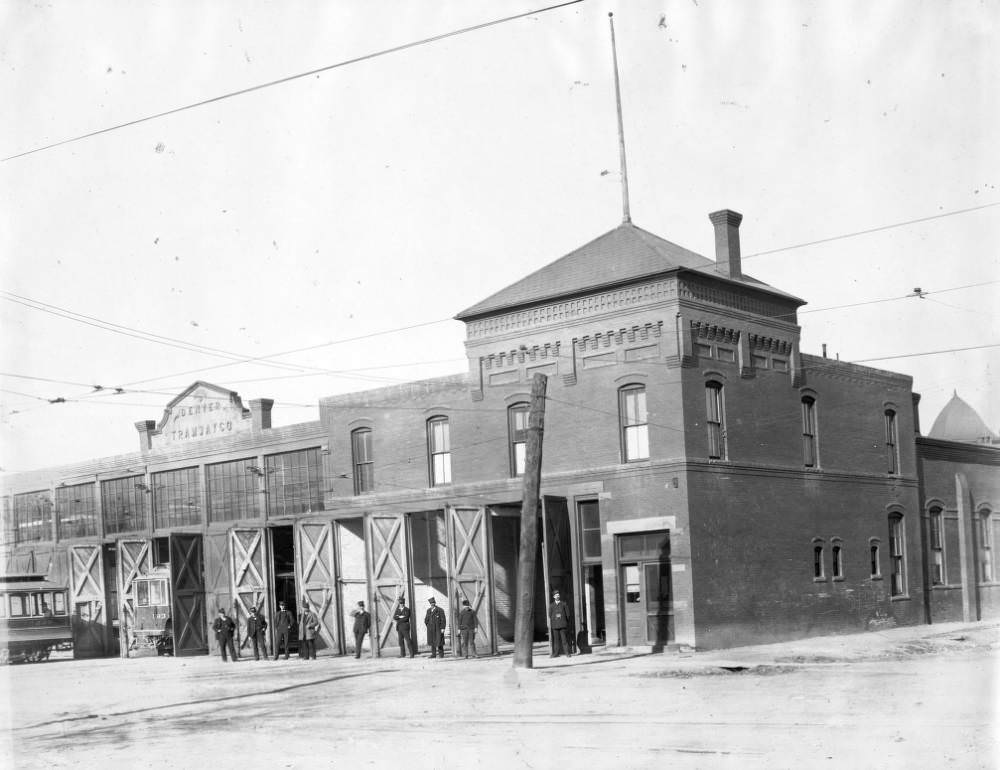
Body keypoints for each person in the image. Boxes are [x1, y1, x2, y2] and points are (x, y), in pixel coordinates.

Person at [548, 590, 572, 658]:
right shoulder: (551, 605)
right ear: (553, 597)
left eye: (558, 595)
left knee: (564, 640)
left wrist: (565, 621)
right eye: (556, 595)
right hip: (555, 625)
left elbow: (568, 614)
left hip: (562, 625)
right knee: (556, 640)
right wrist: (555, 619)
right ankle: (556, 653)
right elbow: (550, 615)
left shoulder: (564, 604)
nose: (557, 596)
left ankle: (567, 653)